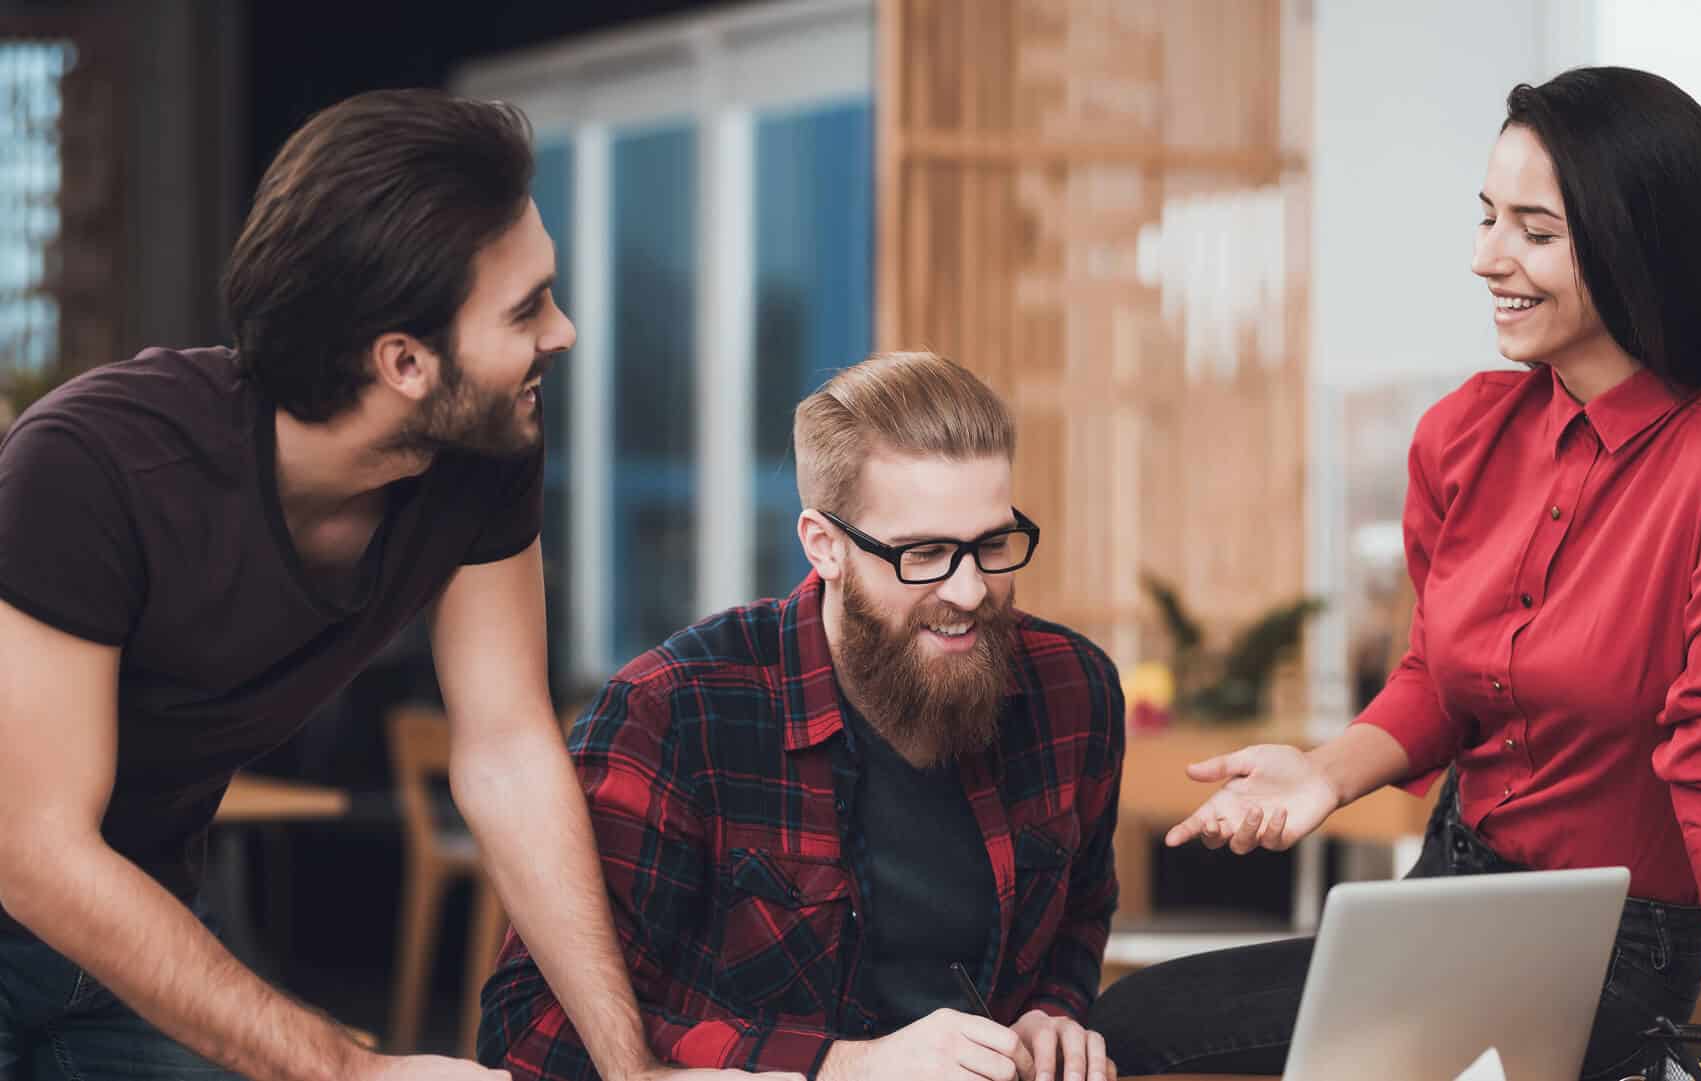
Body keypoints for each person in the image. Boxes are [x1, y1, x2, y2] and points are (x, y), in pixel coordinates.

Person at [1089, 66, 1701, 1081]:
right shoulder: (1465, 432)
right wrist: (1325, 772)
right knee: (1124, 1028)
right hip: (1447, 891)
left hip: (1608, 949)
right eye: (1487, 217)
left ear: (1641, 245)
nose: (1486, 258)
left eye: (1535, 233)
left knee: (1143, 1041)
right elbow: (1436, 677)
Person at [0, 89, 771, 1081]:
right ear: (404, 361)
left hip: (129, 927)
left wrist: (634, 1066)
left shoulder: (482, 451)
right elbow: (34, 849)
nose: (565, 331)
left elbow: (507, 750)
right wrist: (354, 1068)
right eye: (527, 307)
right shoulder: (91, 465)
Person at [480, 352, 1124, 1081]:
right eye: (926, 553)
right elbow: (530, 1030)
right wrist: (845, 1067)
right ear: (825, 547)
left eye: (993, 544)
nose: (971, 591)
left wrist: (1052, 1010)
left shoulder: (1076, 688)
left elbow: (1081, 911)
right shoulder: (672, 714)